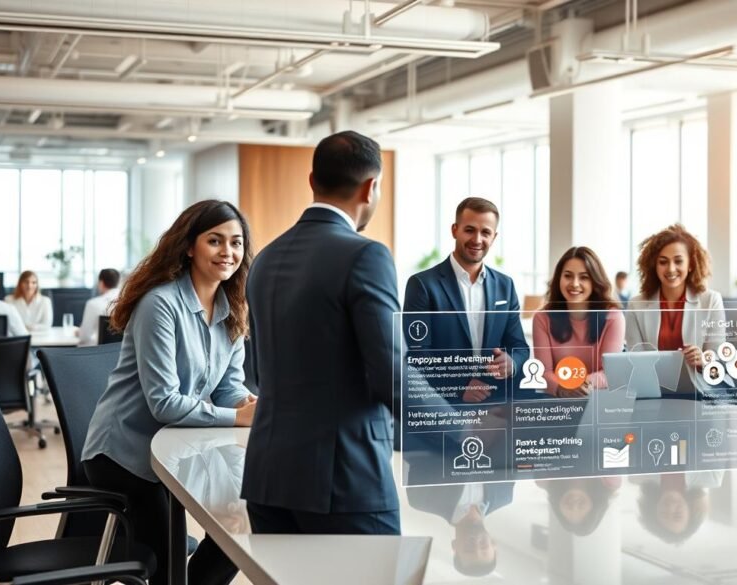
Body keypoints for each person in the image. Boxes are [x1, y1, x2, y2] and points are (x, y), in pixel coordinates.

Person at [81, 200, 256, 585]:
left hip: (177, 448)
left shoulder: (232, 308)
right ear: (190, 246)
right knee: (164, 565)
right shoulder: (160, 305)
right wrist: (238, 417)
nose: (228, 252)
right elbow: (164, 402)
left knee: (243, 521)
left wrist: (246, 403)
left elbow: (228, 388)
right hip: (124, 455)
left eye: (236, 242)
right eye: (215, 240)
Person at [242, 131, 400, 536]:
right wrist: (460, 430)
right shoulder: (366, 255)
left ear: (312, 181)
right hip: (344, 481)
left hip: (268, 477)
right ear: (370, 187)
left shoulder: (265, 259)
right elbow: (391, 375)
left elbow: (256, 371)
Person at [403, 197, 529, 403]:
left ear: (494, 237)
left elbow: (520, 347)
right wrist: (459, 385)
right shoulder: (422, 285)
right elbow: (417, 355)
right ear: (455, 230)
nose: (477, 239)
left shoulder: (506, 286)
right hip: (442, 403)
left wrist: (512, 363)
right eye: (470, 230)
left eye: (486, 232)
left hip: (495, 401)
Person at [625, 224, 725, 373]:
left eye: (678, 261)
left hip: (698, 389)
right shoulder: (636, 305)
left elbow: (719, 357)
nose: (671, 269)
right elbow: (634, 360)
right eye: (663, 262)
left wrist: (704, 359)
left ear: (690, 264)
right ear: (654, 266)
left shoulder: (711, 300)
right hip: (654, 388)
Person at [532, 246, 625, 398]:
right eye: (568, 276)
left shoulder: (613, 317)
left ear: (595, 281)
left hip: (599, 401)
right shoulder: (542, 318)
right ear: (559, 279)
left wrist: (580, 384)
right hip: (558, 401)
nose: (575, 284)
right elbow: (544, 372)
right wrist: (563, 387)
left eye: (584, 277)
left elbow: (610, 372)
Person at [406, 482, 514, 577]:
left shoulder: (421, 499)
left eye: (469, 548)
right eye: (483, 546)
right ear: (493, 544)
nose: (476, 542)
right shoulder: (505, 496)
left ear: (454, 546)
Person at [78, 268, 121, 345]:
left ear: (101, 283)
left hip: (98, 353)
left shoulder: (93, 304)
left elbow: (85, 337)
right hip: (120, 352)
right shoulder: (127, 302)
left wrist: (79, 332)